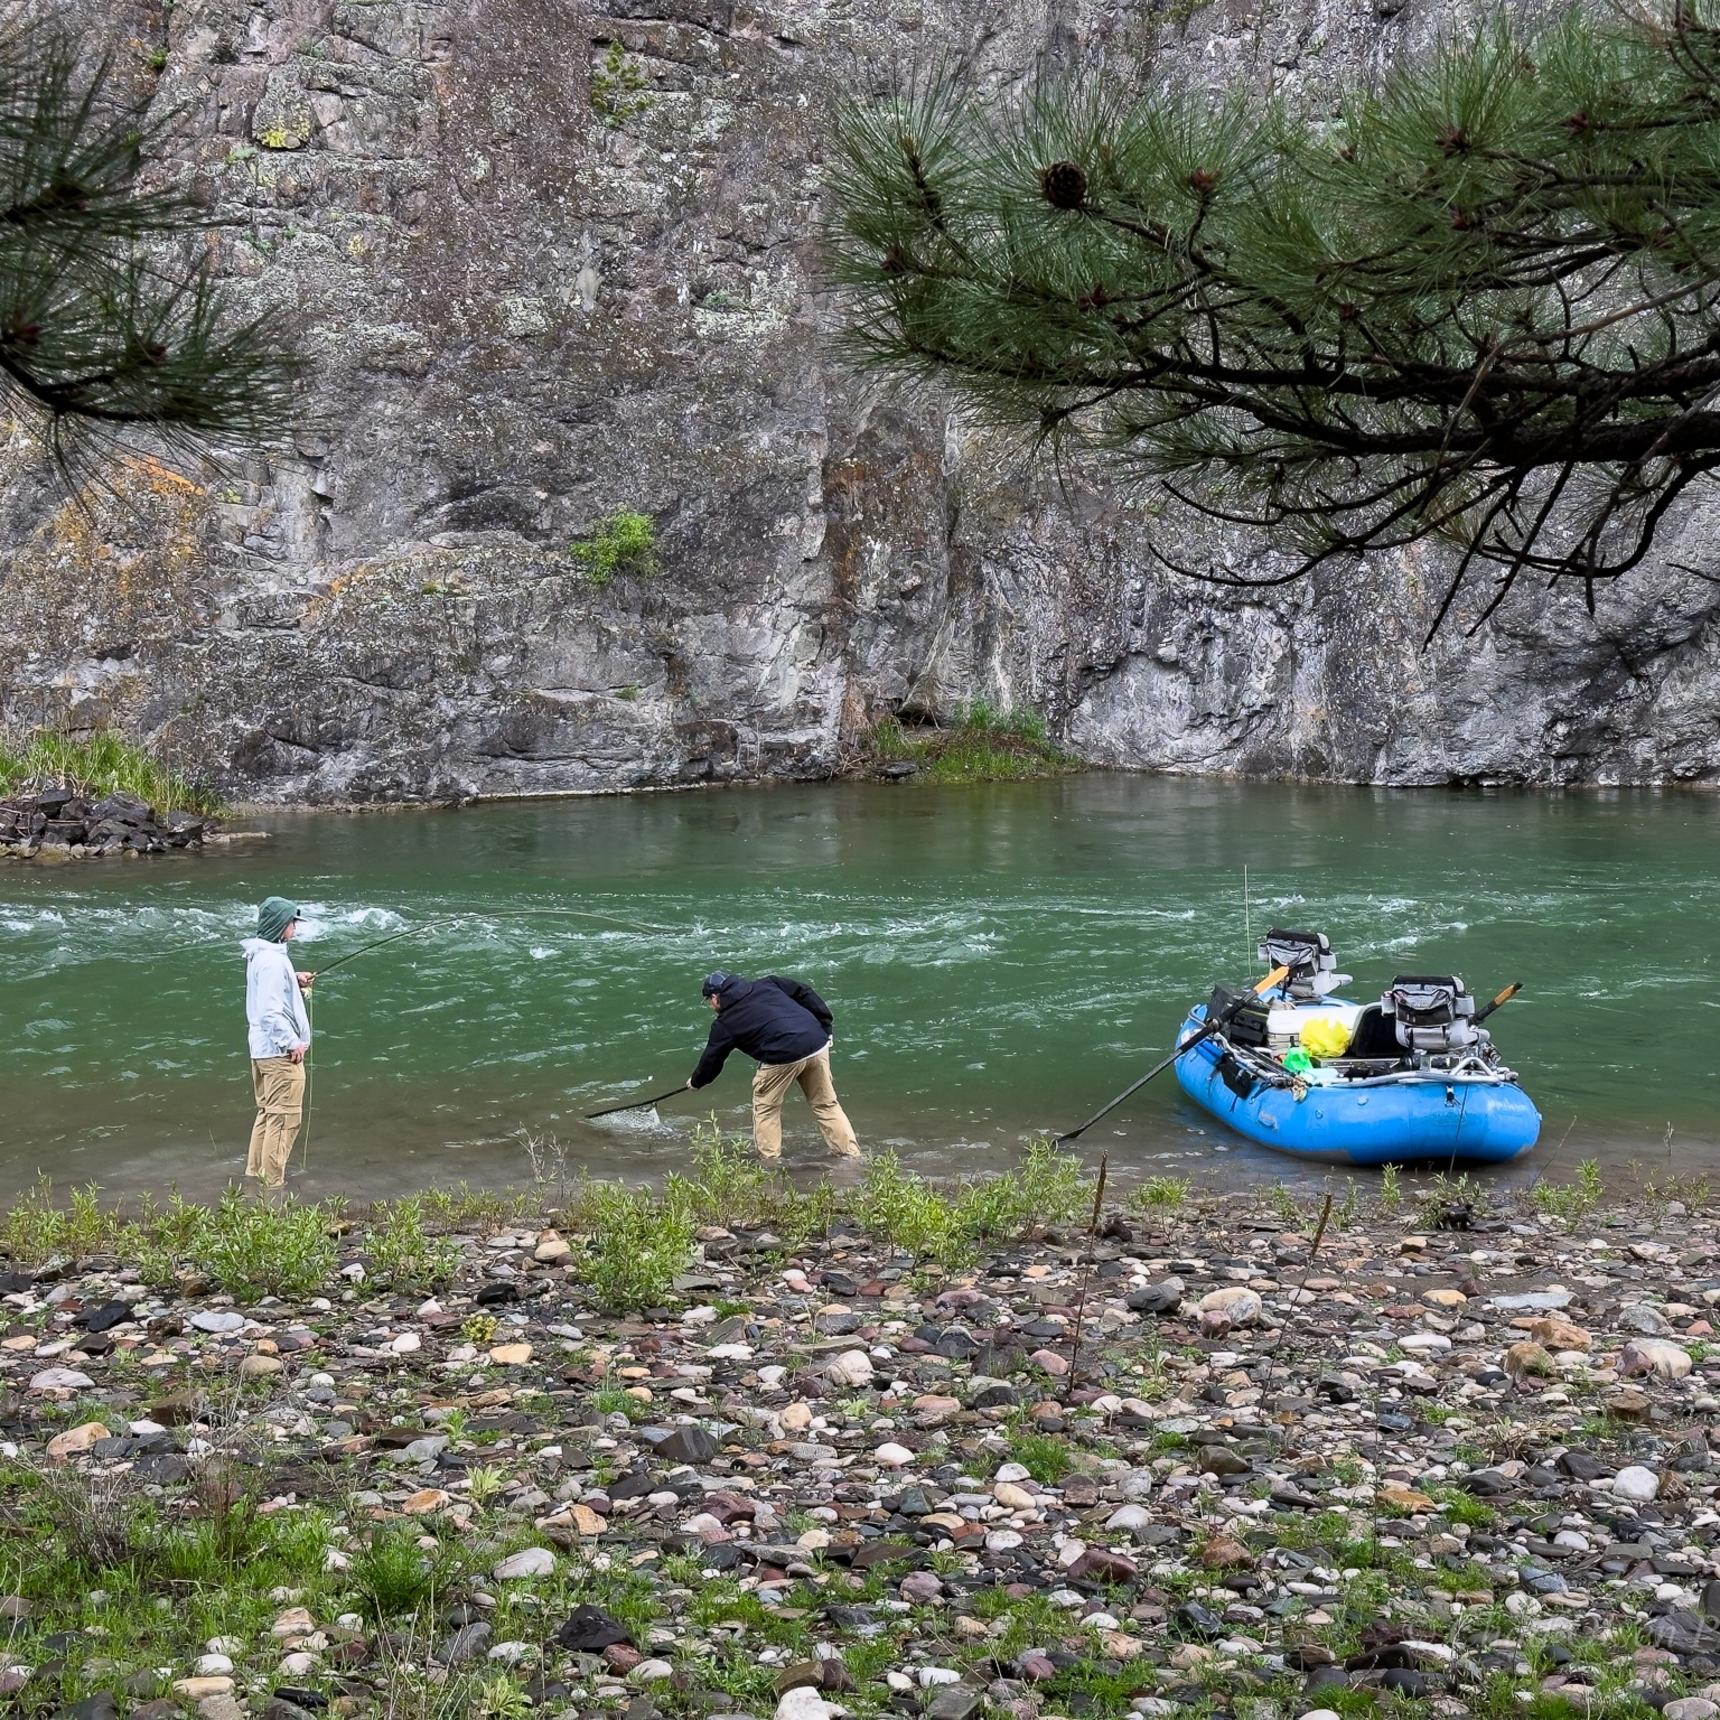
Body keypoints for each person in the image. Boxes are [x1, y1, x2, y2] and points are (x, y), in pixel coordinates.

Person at [687, 970, 861, 1162]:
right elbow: (804, 991)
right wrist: (825, 1024)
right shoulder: (769, 984)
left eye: (708, 1002)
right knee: (826, 1104)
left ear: (716, 997)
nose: (711, 1006)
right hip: (816, 1043)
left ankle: (770, 1165)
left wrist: (696, 1082)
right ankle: (850, 1158)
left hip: (782, 1056)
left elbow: (712, 1059)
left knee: (766, 1109)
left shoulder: (725, 1023)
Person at [240, 895, 313, 1191]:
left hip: (261, 1052)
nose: (295, 927)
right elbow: (270, 1013)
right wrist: (292, 1043)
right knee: (284, 1120)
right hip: (279, 1055)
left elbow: (267, 994)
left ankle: (254, 1179)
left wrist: (292, 979)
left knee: (268, 1115)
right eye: (292, 922)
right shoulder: (271, 962)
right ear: (280, 925)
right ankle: (272, 1190)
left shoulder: (263, 955)